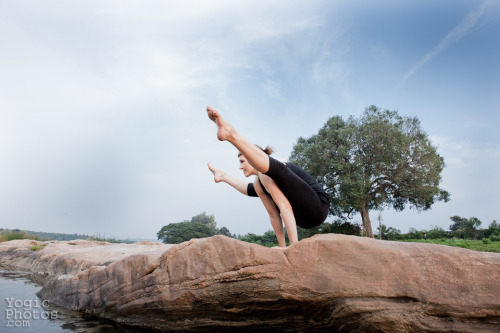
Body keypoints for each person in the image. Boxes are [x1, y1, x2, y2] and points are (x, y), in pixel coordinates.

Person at [206, 106, 330, 248]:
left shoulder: (268, 174)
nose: (240, 167)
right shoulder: (259, 184)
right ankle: (224, 175)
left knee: (267, 173)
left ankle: (232, 135)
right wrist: (282, 248)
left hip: (318, 207)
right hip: (302, 219)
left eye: (242, 162)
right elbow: (274, 215)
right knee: (256, 186)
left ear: (253, 157)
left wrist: (293, 247)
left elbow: (285, 208)